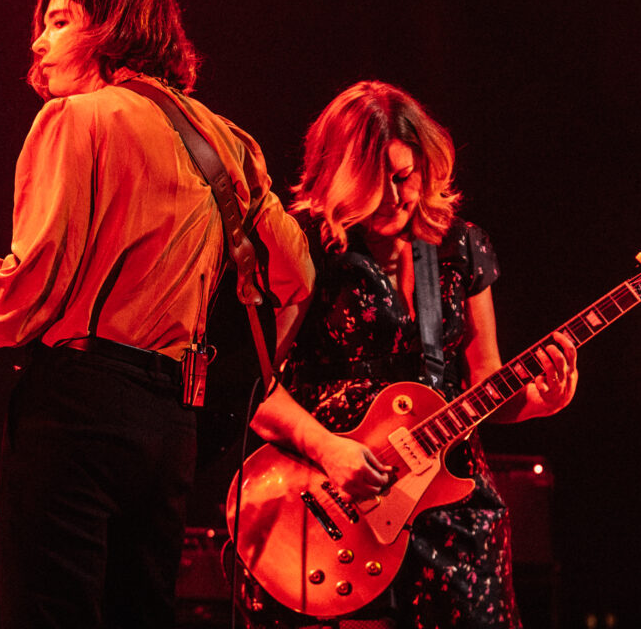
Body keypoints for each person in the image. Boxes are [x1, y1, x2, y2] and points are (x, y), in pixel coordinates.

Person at [0, 0, 314, 629]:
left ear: (113, 28)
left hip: (81, 406)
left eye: (60, 22)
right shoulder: (228, 139)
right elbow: (296, 276)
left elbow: (24, 295)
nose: (38, 41)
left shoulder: (76, 120)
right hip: (174, 421)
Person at [247, 81, 578, 628]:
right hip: (331, 511)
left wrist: (540, 403)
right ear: (339, 179)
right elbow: (253, 387)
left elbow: (485, 381)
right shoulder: (303, 245)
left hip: (451, 512)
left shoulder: (460, 245)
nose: (397, 197)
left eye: (406, 176)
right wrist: (330, 450)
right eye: (377, 183)